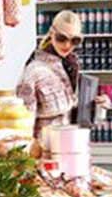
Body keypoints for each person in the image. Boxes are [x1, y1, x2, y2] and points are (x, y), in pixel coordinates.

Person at [16, 9, 107, 138]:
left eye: (75, 40)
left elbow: (80, 118)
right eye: (61, 38)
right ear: (52, 33)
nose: (67, 45)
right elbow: (23, 125)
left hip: (73, 145)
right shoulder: (34, 71)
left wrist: (99, 107)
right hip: (45, 151)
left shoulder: (72, 67)